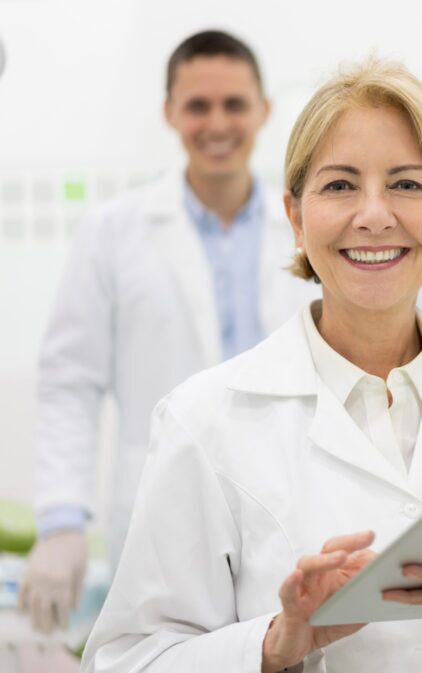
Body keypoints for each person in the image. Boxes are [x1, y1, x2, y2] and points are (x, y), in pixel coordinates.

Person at [79, 58, 422, 673]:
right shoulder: (205, 420)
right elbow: (127, 660)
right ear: (296, 218)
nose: (374, 215)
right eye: (339, 186)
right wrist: (272, 645)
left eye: (407, 184)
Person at [18, 30, 317, 634]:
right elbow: (70, 383)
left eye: (234, 104)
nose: (217, 124)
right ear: (169, 112)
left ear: (264, 109)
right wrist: (61, 520)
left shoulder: (308, 225)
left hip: (292, 501)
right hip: (162, 501)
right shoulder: (113, 230)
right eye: (198, 106)